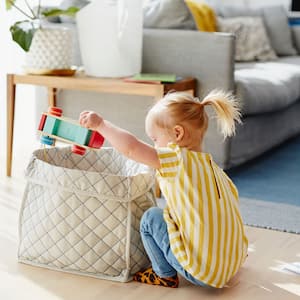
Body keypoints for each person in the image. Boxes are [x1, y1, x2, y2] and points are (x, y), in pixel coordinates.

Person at [79, 90, 248, 289]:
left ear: (177, 134)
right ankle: (221, 259)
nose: (154, 146)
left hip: (203, 272)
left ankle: (164, 274)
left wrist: (101, 125)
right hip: (233, 262)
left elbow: (131, 148)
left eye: (155, 139)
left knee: (151, 218)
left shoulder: (176, 159)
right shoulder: (215, 170)